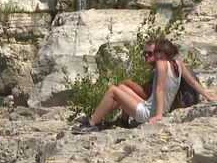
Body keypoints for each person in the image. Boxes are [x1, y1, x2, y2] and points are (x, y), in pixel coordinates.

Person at [73, 39, 217, 133]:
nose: (152, 55)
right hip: (153, 107)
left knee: (113, 91)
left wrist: (158, 115)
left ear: (161, 53)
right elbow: (193, 82)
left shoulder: (161, 65)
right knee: (122, 89)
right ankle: (115, 120)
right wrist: (209, 97)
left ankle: (91, 124)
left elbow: (159, 89)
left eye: (155, 52)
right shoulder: (178, 64)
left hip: (149, 112)